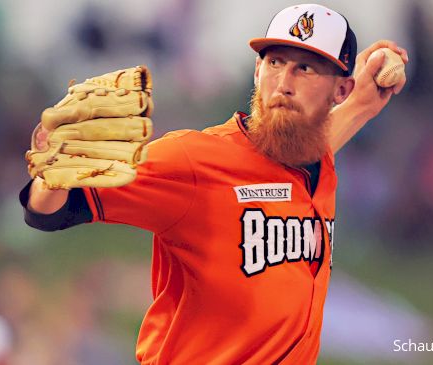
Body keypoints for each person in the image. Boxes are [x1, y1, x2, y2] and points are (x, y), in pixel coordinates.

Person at [20, 3, 408, 364]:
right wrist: (53, 170)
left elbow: (324, 131)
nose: (284, 83)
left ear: (340, 90)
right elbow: (50, 210)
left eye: (305, 69)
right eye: (275, 62)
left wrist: (367, 96)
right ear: (257, 72)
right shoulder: (194, 161)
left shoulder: (315, 159)